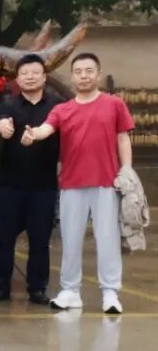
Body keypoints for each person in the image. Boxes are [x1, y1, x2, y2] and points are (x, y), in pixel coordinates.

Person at [21, 53, 135, 314]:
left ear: (98, 73)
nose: (84, 76)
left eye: (89, 71)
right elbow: (46, 129)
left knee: (108, 239)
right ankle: (70, 290)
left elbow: (123, 138)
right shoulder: (62, 109)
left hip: (107, 182)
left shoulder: (114, 104)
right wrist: (33, 134)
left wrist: (126, 170)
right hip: (71, 183)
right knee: (70, 239)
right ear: (72, 76)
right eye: (78, 71)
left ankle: (110, 292)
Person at [0, 54, 63, 305]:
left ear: (44, 76)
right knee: (4, 238)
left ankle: (37, 289)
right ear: (17, 78)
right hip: (9, 184)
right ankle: (0, 287)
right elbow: (1, 122)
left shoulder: (57, 105)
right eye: (24, 73)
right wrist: (4, 128)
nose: (30, 77)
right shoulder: (8, 103)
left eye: (35, 72)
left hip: (44, 185)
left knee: (40, 240)